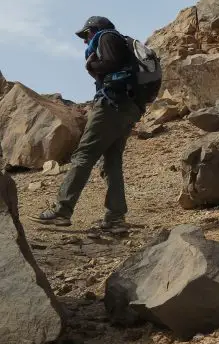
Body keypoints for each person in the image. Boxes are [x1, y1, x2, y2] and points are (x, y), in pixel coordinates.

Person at [35, 17, 145, 230]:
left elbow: (110, 64)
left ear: (94, 30)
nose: (85, 41)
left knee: (84, 155)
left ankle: (62, 211)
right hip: (128, 108)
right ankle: (115, 217)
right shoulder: (122, 42)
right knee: (111, 161)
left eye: (86, 35)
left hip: (112, 105)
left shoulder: (106, 36)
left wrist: (90, 64)